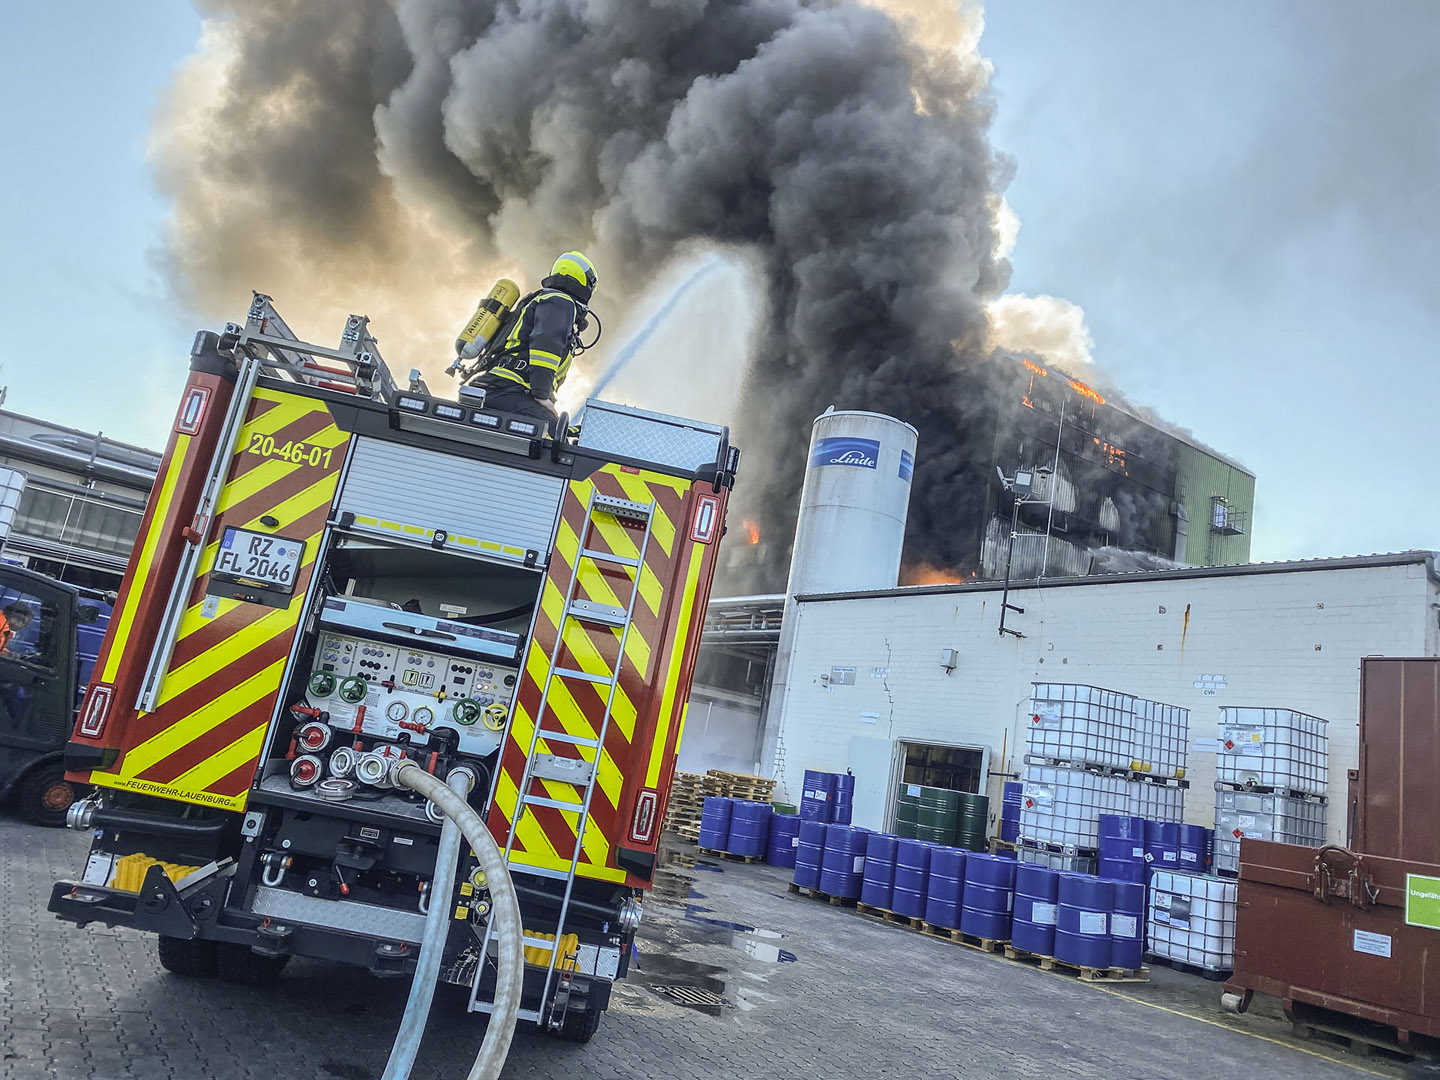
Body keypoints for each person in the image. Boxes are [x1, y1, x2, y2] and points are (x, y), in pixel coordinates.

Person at [469, 251, 597, 427]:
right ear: (586, 284)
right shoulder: (559, 302)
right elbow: (546, 345)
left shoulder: (539, 300)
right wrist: (542, 395)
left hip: (497, 389)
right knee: (550, 434)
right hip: (512, 391)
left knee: (561, 431)